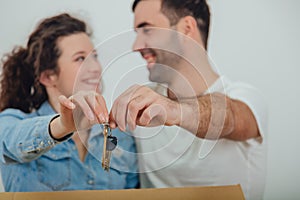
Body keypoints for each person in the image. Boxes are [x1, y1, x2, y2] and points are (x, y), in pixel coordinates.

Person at [109, 1, 267, 200]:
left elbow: (231, 117)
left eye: (147, 30)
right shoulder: (141, 102)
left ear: (186, 28)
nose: (136, 46)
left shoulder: (245, 97)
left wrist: (174, 110)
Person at [0, 13, 138, 192]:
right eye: (80, 58)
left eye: (94, 56)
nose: (96, 68)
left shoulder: (120, 135)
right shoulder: (12, 121)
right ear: (48, 76)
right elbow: (10, 142)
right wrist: (62, 125)